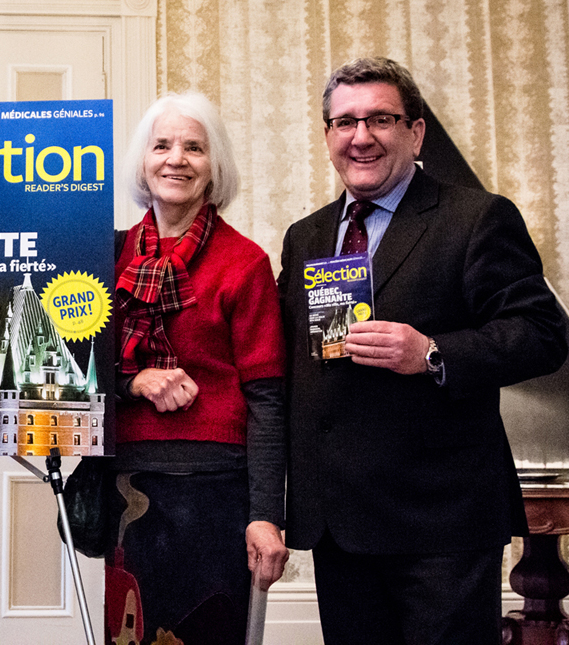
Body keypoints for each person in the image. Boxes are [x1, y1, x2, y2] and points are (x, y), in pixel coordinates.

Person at [279, 57, 568, 645]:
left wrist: (433, 352)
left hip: (441, 524)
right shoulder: (306, 235)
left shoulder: (476, 218)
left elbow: (542, 333)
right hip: (341, 525)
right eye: (343, 123)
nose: (360, 137)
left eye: (380, 119)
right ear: (328, 136)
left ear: (415, 132)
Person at [106, 91, 289, 645]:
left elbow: (268, 398)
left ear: (215, 167)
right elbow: (75, 371)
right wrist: (133, 380)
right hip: (129, 489)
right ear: (143, 161)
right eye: (161, 145)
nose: (176, 159)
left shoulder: (246, 263)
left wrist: (265, 514)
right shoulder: (106, 257)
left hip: (218, 494)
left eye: (194, 147)